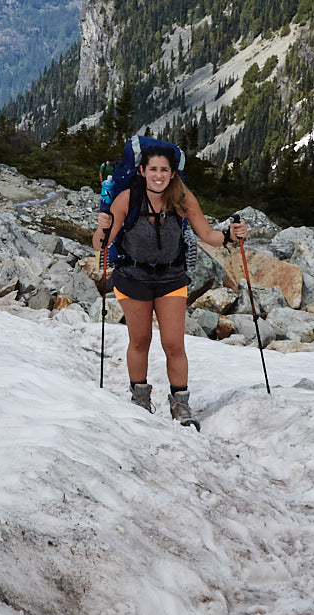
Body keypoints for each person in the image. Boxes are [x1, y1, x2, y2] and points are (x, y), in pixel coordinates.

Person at [91, 149, 247, 423]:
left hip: (171, 278)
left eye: (164, 170)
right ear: (142, 171)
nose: (159, 176)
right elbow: (101, 246)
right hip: (133, 277)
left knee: (174, 344)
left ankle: (180, 405)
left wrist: (230, 236)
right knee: (140, 341)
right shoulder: (127, 199)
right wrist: (102, 226)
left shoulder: (182, 198)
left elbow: (208, 234)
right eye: (153, 170)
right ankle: (140, 400)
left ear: (173, 173)